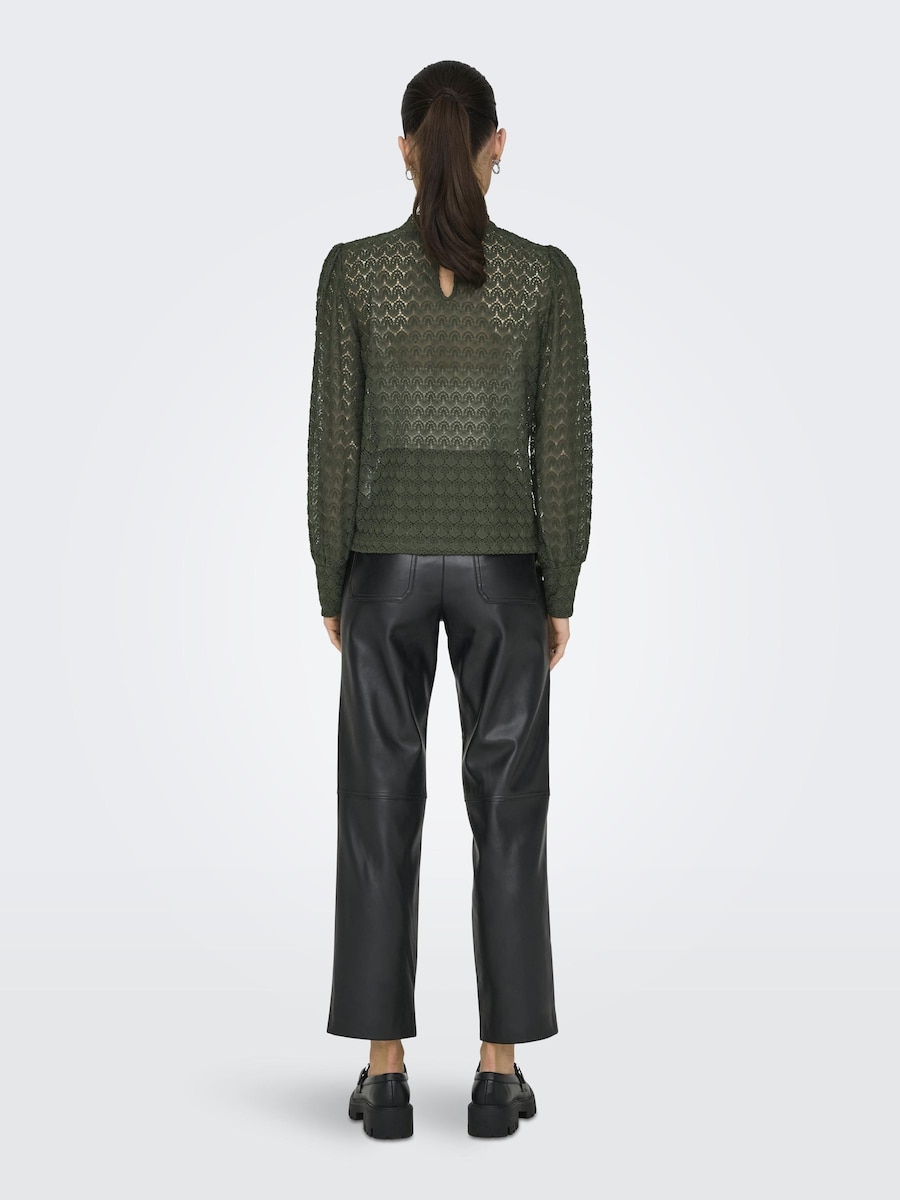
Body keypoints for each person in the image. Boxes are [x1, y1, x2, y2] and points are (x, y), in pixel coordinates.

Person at [307, 59, 592, 1139]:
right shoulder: (544, 278)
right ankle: (495, 1072)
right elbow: (563, 448)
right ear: (495, 147)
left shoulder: (352, 273)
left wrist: (333, 575)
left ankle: (384, 1075)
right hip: (504, 573)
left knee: (377, 810)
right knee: (510, 812)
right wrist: (559, 582)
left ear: (405, 151)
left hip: (382, 570)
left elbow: (333, 442)